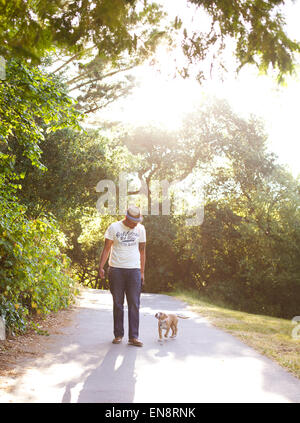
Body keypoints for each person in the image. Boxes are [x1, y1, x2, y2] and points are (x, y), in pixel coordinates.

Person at [99, 206, 146, 347]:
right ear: (127, 218)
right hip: (116, 269)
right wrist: (101, 266)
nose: (136, 224)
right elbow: (107, 248)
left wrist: (142, 272)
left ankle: (134, 337)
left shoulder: (141, 229)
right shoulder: (114, 227)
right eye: (133, 222)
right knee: (118, 303)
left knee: (134, 304)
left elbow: (143, 251)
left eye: (138, 221)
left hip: (134, 270)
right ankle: (118, 335)